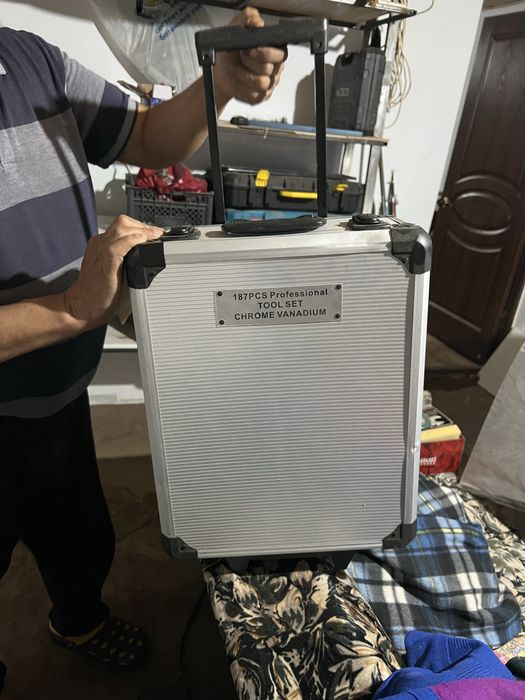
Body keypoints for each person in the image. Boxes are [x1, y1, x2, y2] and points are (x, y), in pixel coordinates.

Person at [0, 6, 286, 689]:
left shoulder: (27, 56)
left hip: (61, 388)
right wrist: (72, 308)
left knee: (78, 533)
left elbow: (148, 138)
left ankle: (79, 621)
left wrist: (218, 82)